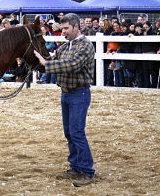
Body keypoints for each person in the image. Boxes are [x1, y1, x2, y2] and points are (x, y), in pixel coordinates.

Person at [34, 13, 95, 187]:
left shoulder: (85, 46)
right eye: (63, 29)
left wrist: (46, 64)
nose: (63, 32)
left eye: (66, 28)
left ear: (76, 27)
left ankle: (87, 171)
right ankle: (76, 167)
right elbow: (52, 59)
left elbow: (72, 65)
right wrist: (37, 61)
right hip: (67, 93)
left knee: (76, 132)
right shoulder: (66, 46)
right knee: (70, 133)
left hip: (79, 93)